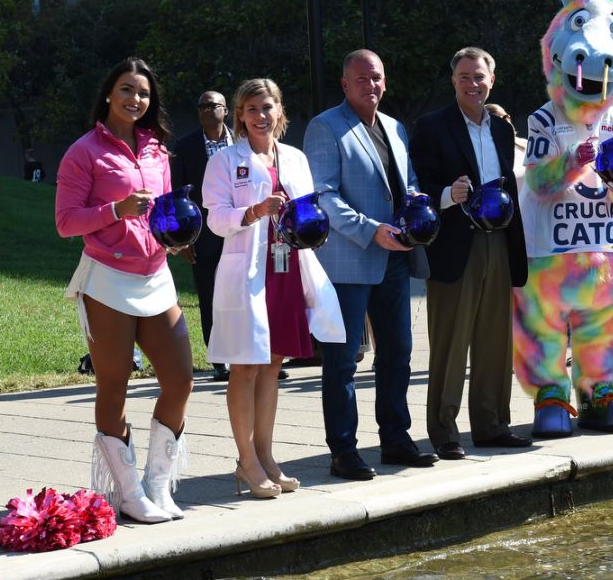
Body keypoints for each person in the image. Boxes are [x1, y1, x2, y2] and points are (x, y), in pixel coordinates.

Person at [54, 57, 193, 523]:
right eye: (127, 90)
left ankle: (158, 484)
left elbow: (163, 209)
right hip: (107, 279)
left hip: (156, 275)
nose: (136, 99)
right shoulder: (84, 151)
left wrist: (172, 236)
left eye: (144, 93)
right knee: (113, 383)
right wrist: (117, 209)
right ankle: (130, 494)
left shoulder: (158, 151)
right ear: (109, 94)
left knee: (180, 378)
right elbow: (66, 222)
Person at [203, 78, 345, 498]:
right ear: (240, 117)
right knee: (245, 366)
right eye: (251, 109)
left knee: (272, 366)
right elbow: (214, 219)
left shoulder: (296, 158)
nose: (260, 116)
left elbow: (309, 209)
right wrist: (253, 212)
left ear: (279, 112)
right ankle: (246, 460)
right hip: (249, 272)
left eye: (267, 107)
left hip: (286, 272)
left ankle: (266, 457)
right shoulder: (227, 161)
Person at [303, 49, 437, 480]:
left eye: (376, 77)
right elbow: (322, 194)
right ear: (345, 84)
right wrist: (369, 229)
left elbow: (407, 181)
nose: (371, 85)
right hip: (349, 261)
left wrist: (416, 201)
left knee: (398, 353)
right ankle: (343, 449)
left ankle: (396, 438)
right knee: (342, 361)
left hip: (394, 259)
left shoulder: (395, 128)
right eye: (361, 79)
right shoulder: (325, 127)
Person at [409, 47, 531, 460]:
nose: (472, 84)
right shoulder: (431, 126)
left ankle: (492, 425)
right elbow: (416, 184)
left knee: (495, 341)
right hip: (454, 245)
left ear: (491, 80)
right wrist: (446, 194)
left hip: (498, 240)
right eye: (464, 77)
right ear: (453, 81)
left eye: (479, 77)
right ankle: (444, 432)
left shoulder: (500, 128)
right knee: (450, 342)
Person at [171, 91, 233, 382]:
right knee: (211, 298)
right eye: (202, 106)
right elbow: (177, 195)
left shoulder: (242, 143)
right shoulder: (185, 147)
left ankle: (254, 356)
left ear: (226, 110)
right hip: (204, 237)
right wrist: (184, 239)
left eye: (214, 105)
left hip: (241, 233)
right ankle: (220, 360)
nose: (208, 110)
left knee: (248, 296)